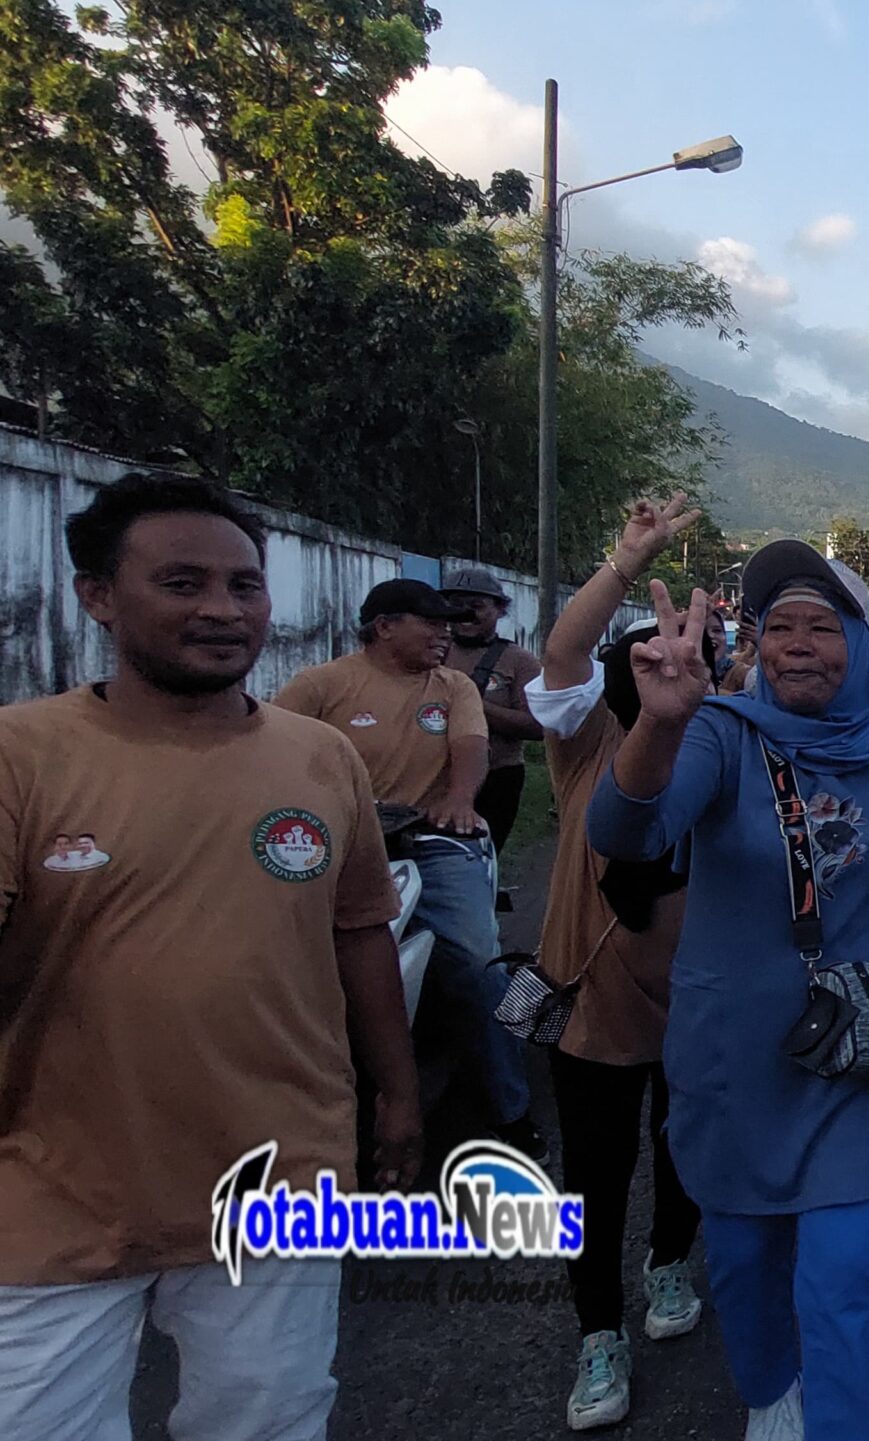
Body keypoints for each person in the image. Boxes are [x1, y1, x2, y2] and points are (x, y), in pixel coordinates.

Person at [0, 473, 419, 1441]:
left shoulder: (321, 758)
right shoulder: (22, 755)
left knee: (270, 1419)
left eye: (245, 585)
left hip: (280, 1176)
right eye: (182, 583)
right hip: (54, 1190)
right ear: (97, 594)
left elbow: (361, 929)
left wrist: (397, 1094)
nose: (224, 610)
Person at [586, 540, 869, 1439]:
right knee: (743, 1261)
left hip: (852, 1053)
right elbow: (626, 833)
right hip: (731, 1056)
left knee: (843, 1268)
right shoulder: (720, 732)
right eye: (779, 625)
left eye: (822, 627)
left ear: (858, 645)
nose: (798, 644)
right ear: (757, 642)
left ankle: (840, 1423)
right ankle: (770, 1391)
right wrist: (658, 725)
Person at [521, 496, 711, 1431]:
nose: (665, 667)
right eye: (645, 658)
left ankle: (670, 1262)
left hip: (696, 1004)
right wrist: (626, 562)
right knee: (594, 1175)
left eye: (683, 656)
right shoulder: (585, 744)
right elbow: (562, 653)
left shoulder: (718, 751)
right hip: (595, 1003)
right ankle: (599, 1330)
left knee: (686, 1151)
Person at [274, 577, 537, 1156]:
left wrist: (460, 800)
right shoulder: (320, 685)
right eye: (431, 623)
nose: (445, 635)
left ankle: (510, 1107)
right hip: (342, 846)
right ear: (384, 626)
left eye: (448, 625)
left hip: (433, 840)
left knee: (479, 962)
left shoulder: (453, 687)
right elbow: (269, 748)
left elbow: (470, 747)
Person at [440, 565, 546, 852]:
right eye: (456, 606)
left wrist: (470, 705)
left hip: (498, 776)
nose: (465, 615)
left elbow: (537, 726)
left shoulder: (519, 661)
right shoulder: (432, 652)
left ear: (499, 610)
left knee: (483, 854)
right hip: (435, 776)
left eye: (476, 606)